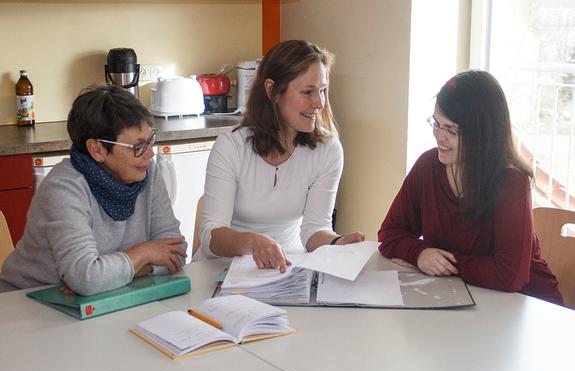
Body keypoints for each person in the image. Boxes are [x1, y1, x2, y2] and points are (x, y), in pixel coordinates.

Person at [378, 70, 563, 305]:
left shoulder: (511, 182)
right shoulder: (428, 166)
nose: (439, 136)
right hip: (467, 297)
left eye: (451, 130)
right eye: (436, 124)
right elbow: (390, 233)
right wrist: (420, 254)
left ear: (482, 134)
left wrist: (443, 264)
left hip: (527, 305)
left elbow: (509, 276)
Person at [0, 85, 187, 295]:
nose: (150, 153)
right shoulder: (63, 187)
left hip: (105, 297)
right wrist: (146, 252)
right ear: (97, 150)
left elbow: (176, 252)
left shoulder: (147, 173)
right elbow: (87, 278)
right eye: (138, 146)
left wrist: (110, 275)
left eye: (150, 140)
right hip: (26, 304)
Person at [198, 40, 365, 271]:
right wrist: (252, 242)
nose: (319, 103)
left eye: (323, 91)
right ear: (272, 91)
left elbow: (314, 230)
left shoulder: (328, 150)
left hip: (287, 267)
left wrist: (337, 243)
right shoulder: (231, 146)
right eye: (308, 92)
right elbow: (210, 238)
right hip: (224, 270)